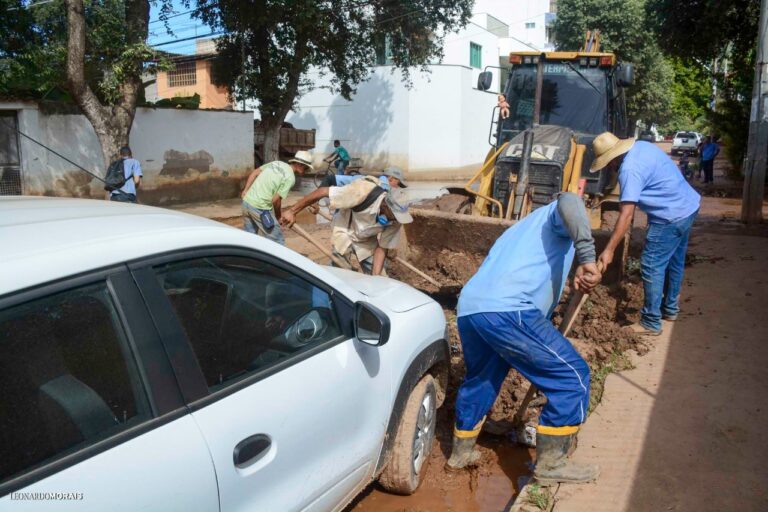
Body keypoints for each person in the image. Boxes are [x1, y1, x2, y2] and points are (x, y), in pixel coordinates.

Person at [447, 192, 602, 486]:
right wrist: (588, 256)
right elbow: (570, 200)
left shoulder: (520, 230)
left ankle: (460, 453)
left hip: (472, 309)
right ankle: (552, 464)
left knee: (482, 379)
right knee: (572, 377)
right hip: (510, 309)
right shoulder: (556, 213)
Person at [591, 132, 700, 336]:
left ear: (613, 159)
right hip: (688, 206)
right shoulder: (642, 146)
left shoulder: (629, 170)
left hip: (670, 216)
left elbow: (626, 215)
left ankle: (650, 321)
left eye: (607, 164)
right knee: (674, 261)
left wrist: (609, 250)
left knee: (651, 264)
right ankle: (669, 309)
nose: (609, 168)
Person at [281, 169, 411, 275]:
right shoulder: (361, 191)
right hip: (345, 230)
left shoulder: (397, 220)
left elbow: (382, 247)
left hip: (367, 239)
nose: (394, 220)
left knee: (381, 279)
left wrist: (375, 279)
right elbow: (322, 191)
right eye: (393, 215)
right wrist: (292, 211)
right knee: (342, 276)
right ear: (385, 205)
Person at [241, 150, 313, 245]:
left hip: (246, 203)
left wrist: (245, 190)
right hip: (260, 208)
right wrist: (278, 216)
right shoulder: (290, 178)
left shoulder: (277, 163)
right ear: (300, 165)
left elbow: (255, 173)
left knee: (249, 238)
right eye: (306, 168)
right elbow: (275, 200)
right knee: (277, 240)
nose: (305, 171)